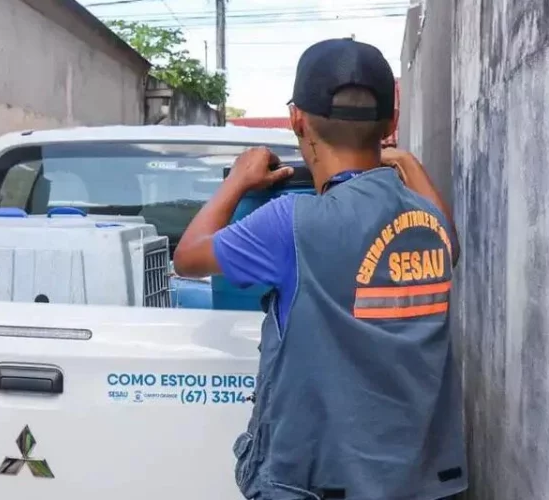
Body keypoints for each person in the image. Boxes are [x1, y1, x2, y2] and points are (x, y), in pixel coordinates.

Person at [173, 38, 467, 500]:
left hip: (316, 487)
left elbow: (187, 258)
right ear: (391, 123)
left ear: (296, 120)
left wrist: (236, 183)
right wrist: (408, 161)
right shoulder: (427, 225)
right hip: (423, 485)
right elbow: (450, 243)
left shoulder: (289, 223)